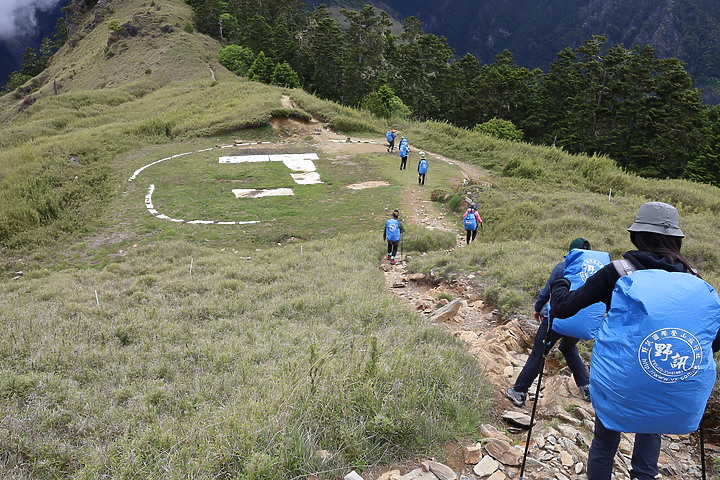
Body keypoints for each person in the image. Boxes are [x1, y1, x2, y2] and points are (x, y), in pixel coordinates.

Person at [549, 202, 720, 480]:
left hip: (621, 380)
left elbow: (562, 309)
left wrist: (560, 283)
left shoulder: (617, 271)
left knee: (605, 442)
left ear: (636, 235)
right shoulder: (694, 279)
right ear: (676, 239)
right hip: (667, 379)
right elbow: (711, 339)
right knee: (650, 434)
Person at [505, 237, 591, 408]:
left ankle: (519, 391)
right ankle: (587, 387)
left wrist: (538, 308)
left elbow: (547, 292)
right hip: (580, 321)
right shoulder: (594, 270)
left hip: (557, 318)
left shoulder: (563, 267)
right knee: (568, 348)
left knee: (539, 352)